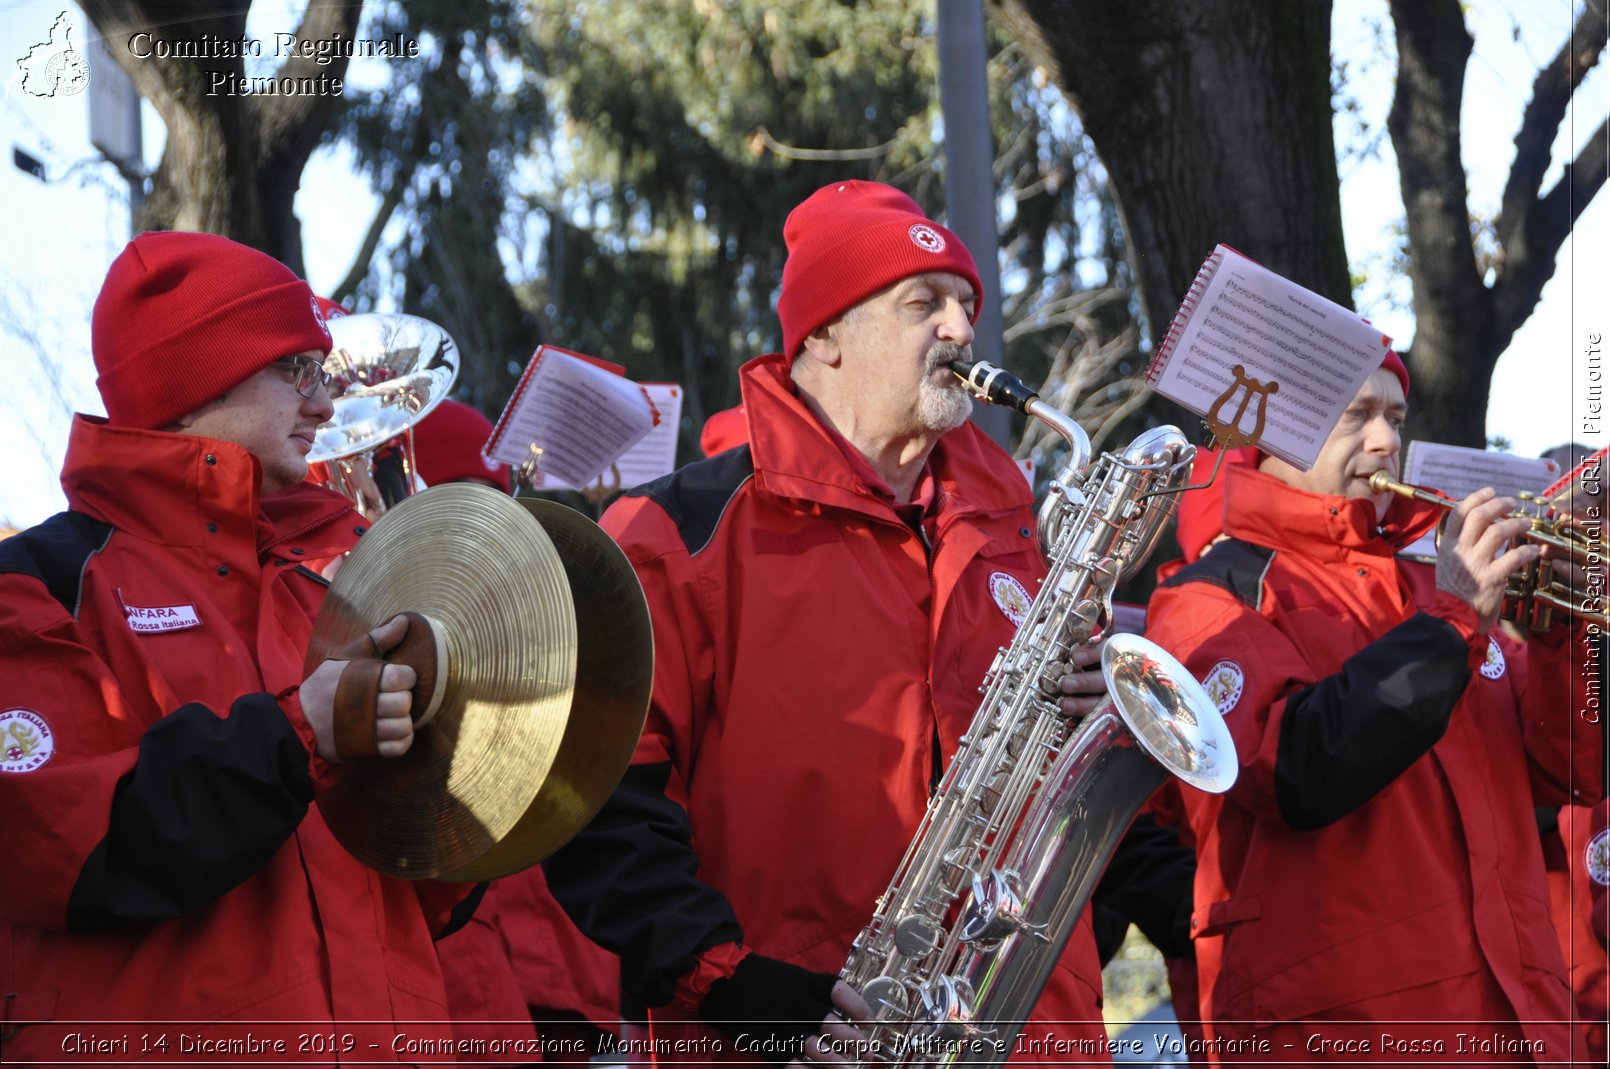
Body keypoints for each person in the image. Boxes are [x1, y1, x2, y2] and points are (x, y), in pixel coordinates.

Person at [542, 180, 1118, 1065]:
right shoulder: (674, 532)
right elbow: (600, 807)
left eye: (967, 304)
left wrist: (1092, 703)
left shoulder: (1018, 531)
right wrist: (732, 986)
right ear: (822, 336)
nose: (962, 330)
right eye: (922, 303)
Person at [0, 232, 466, 1060]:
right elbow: (65, 844)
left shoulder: (319, 580)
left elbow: (422, 890)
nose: (325, 405)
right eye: (296, 371)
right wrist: (304, 731)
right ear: (195, 381)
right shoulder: (38, 581)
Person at [1143, 352, 1605, 1061]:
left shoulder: (1435, 593)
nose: (1388, 441)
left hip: (1521, 1025)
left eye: (1394, 416)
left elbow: (1573, 776)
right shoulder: (1209, 597)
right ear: (1275, 429)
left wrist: (1562, 642)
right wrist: (1452, 622)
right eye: (1356, 415)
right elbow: (1296, 768)